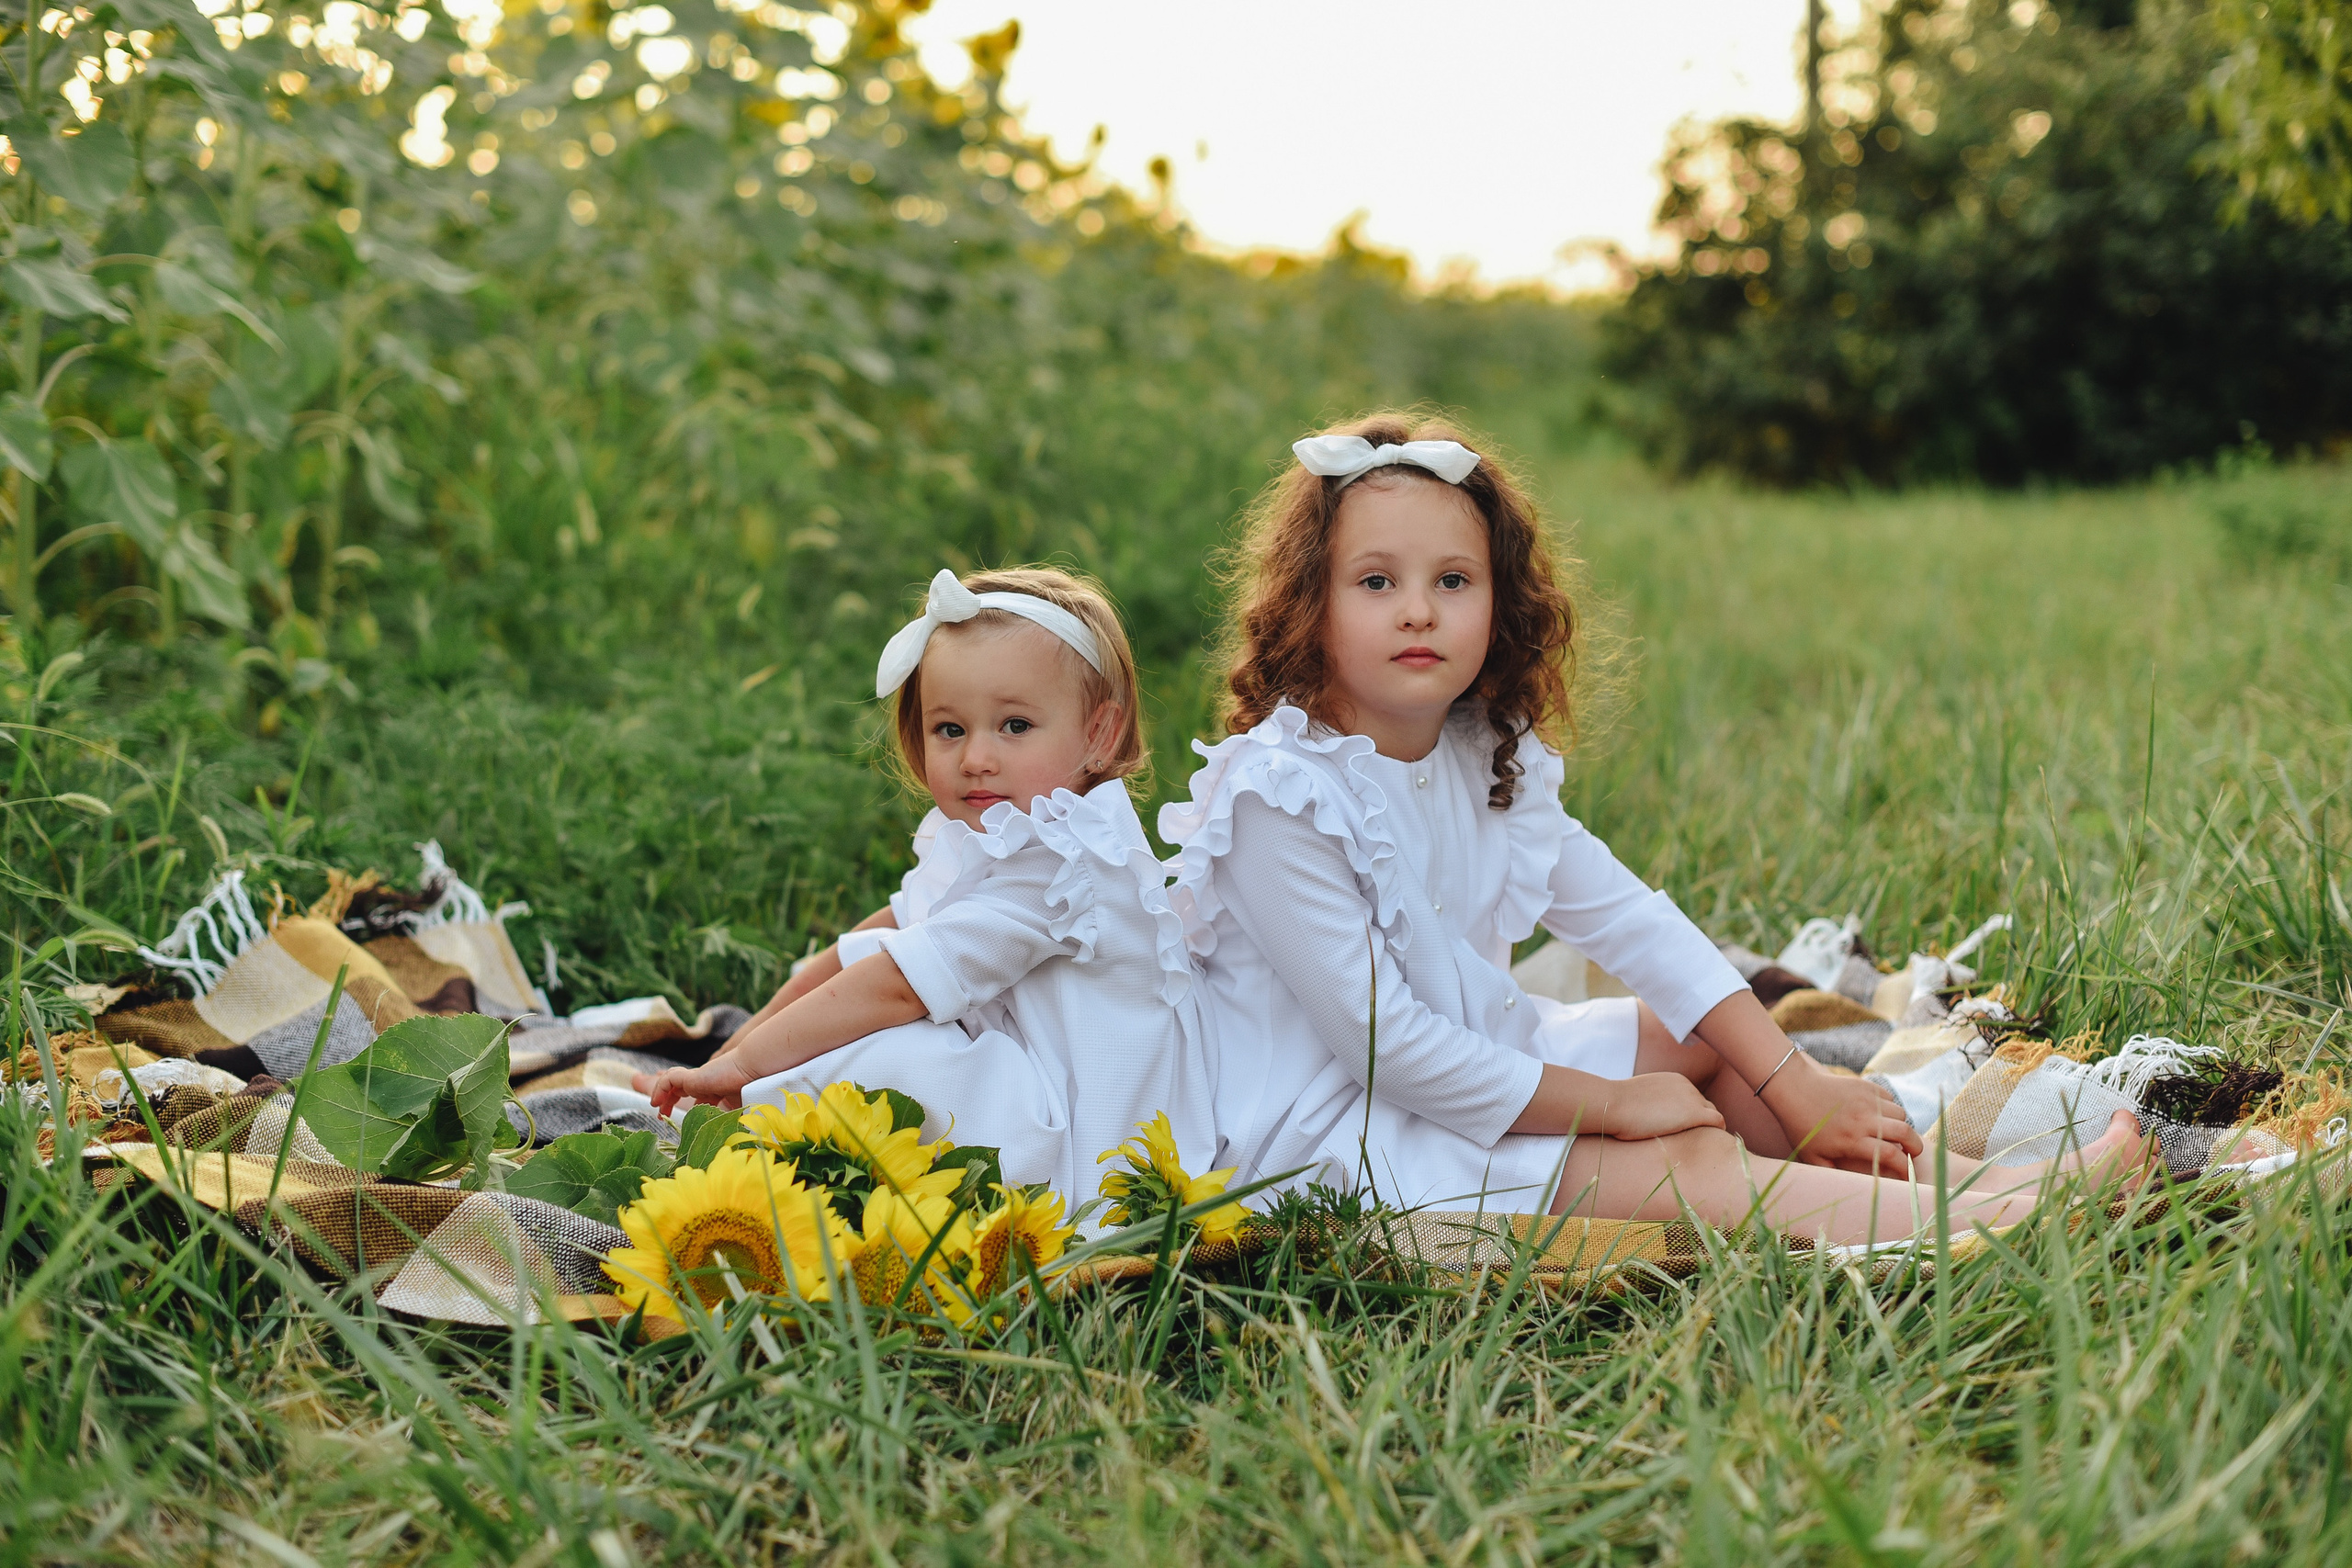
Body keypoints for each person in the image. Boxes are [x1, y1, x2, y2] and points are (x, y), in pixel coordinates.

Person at [1158, 412, 2142, 1244]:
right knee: (1677, 1151)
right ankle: (1978, 1219)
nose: (1418, 610)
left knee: (1703, 1038)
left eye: (1452, 581)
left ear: (1499, 604)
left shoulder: (1475, 753)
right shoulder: (1276, 799)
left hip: (1473, 1062)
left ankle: (1932, 1192)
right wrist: (1617, 1107)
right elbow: (1390, 1052)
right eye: (1375, 582)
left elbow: (1631, 922)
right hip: (1330, 1140)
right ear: (1309, 605)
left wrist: (1790, 1076)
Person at [637, 567, 1218, 1205]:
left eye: (1015, 725)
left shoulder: (1063, 863)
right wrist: (737, 1050)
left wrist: (748, 1068)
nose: (976, 757)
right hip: (1031, 1086)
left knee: (891, 1048)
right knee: (859, 1016)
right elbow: (862, 948)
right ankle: (732, 1113)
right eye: (950, 729)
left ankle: (744, 1126)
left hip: (1084, 1151)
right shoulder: (993, 832)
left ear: (1099, 735)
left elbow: (895, 983)